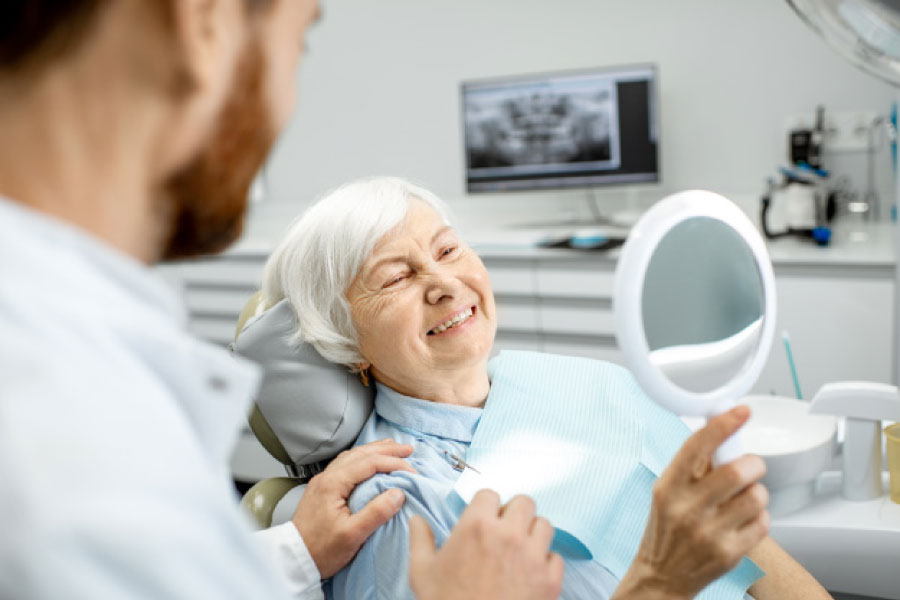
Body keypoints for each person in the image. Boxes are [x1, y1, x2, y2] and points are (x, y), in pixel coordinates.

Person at [0, 2, 563, 599]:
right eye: (301, 40)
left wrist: (292, 552)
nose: (286, 102)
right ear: (203, 23)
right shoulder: (60, 425)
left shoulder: (68, 367)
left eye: (448, 251)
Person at [261, 176, 834, 600]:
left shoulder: (581, 380)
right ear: (347, 343)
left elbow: (746, 546)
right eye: (395, 278)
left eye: (447, 249)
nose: (443, 283)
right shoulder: (391, 504)